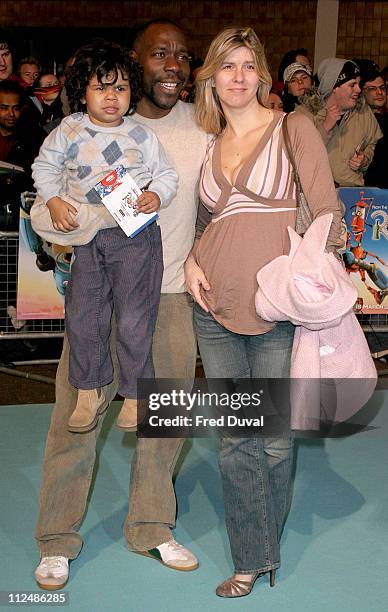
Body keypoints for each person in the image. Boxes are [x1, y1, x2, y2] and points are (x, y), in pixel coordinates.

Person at [34, 20, 208, 590]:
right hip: (100, 289)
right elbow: (42, 204)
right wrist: (62, 219)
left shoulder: (203, 129)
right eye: (160, 54)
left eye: (183, 56)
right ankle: (57, 540)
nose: (174, 65)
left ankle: (153, 526)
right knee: (74, 418)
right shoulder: (78, 131)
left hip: (172, 292)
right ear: (135, 63)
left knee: (164, 420)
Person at [184, 26, 342, 598]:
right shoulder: (207, 145)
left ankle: (262, 548)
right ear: (212, 77)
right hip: (213, 308)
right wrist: (188, 263)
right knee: (236, 437)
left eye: (249, 65)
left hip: (276, 308)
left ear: (264, 75)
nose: (239, 76)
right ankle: (252, 558)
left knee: (272, 437)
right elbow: (205, 225)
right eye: (228, 66)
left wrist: (306, 278)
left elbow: (326, 209)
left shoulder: (292, 127)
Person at [32, 40, 178, 433]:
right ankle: (89, 390)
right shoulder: (70, 128)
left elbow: (166, 175)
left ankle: (134, 394)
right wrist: (55, 200)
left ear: (131, 93)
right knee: (83, 317)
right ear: (82, 90)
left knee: (134, 318)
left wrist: (154, 194)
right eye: (101, 87)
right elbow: (43, 168)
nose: (111, 97)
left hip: (132, 235)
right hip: (85, 237)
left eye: (120, 88)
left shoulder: (141, 135)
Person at [296, 58, 382, 187]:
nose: (359, 90)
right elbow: (299, 154)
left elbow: (376, 143)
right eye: (352, 85)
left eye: (359, 84)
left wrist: (365, 159)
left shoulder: (363, 112)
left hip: (353, 191)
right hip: (316, 192)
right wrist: (325, 128)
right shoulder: (306, 114)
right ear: (334, 87)